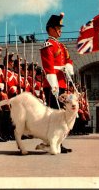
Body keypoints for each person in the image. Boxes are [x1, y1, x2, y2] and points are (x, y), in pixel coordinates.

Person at [40, 12, 74, 153]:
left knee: (61, 115)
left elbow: (69, 60)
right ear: (51, 29)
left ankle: (58, 142)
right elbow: (48, 66)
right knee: (54, 116)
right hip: (53, 84)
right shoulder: (48, 45)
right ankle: (51, 143)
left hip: (62, 84)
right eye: (58, 28)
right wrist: (54, 84)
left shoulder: (61, 46)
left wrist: (68, 66)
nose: (60, 30)